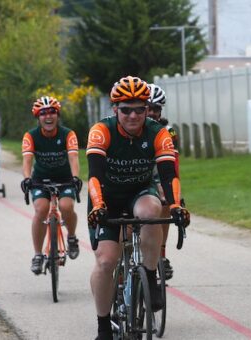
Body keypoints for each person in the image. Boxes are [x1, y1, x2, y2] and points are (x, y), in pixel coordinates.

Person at [86, 76, 190, 340]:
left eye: (140, 109)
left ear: (148, 109)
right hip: (106, 198)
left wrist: (176, 205)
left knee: (152, 211)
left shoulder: (158, 132)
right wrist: (98, 206)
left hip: (139, 193)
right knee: (106, 260)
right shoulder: (102, 130)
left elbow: (168, 176)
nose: (133, 115)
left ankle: (152, 275)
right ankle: (103, 327)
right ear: (114, 109)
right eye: (126, 109)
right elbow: (95, 175)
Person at [20, 96, 82, 275]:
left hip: (64, 179)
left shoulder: (68, 134)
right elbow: (27, 160)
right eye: (43, 113)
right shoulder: (31, 135)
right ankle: (38, 255)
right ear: (37, 117)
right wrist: (26, 178)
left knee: (66, 206)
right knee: (41, 209)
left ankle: (71, 237)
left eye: (52, 112)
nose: (48, 117)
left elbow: (73, 157)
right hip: (41, 179)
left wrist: (76, 176)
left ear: (58, 115)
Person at [146, 83, 180, 281]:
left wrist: (175, 195)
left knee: (166, 203)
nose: (151, 113)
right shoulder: (132, 126)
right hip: (137, 175)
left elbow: (174, 166)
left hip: (159, 173)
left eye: (156, 109)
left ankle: (162, 254)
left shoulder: (169, 131)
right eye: (148, 108)